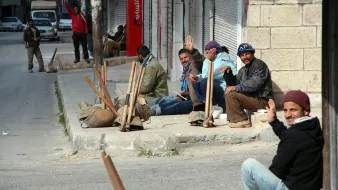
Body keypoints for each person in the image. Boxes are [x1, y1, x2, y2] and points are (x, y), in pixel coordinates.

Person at [242, 90, 323, 190]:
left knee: (249, 165)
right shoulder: (313, 127)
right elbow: (292, 139)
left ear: (305, 110)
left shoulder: (294, 135)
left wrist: (264, 181)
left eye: (293, 110)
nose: (288, 114)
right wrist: (274, 122)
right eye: (285, 110)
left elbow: (277, 170)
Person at [221, 43, 273, 128]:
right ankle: (235, 119)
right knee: (228, 90)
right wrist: (228, 72)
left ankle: (241, 120)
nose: (245, 57)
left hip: (262, 101)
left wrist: (235, 87)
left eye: (247, 54)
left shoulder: (259, 65)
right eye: (242, 55)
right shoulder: (243, 70)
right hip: (252, 99)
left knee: (231, 93)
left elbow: (254, 84)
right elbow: (235, 83)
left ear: (252, 53)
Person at [139, 48, 194, 117]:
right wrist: (185, 94)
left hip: (195, 101)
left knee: (174, 106)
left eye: (186, 57)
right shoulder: (186, 70)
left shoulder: (194, 68)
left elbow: (145, 88)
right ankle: (148, 109)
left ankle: (149, 111)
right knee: (171, 100)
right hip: (188, 97)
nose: (184, 60)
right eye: (181, 59)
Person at [115, 45, 168, 111]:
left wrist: (133, 90)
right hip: (152, 94)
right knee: (126, 96)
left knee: (123, 100)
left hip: (156, 97)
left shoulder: (150, 66)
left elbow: (146, 88)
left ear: (140, 56)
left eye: (137, 56)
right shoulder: (149, 62)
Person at [189, 40, 237, 111]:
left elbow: (206, 75)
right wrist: (197, 78)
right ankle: (210, 104)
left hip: (224, 90)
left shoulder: (222, 59)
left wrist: (207, 60)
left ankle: (213, 105)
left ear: (213, 51)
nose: (207, 55)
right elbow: (208, 74)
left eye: (208, 53)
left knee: (205, 82)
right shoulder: (216, 59)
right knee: (197, 82)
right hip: (219, 88)